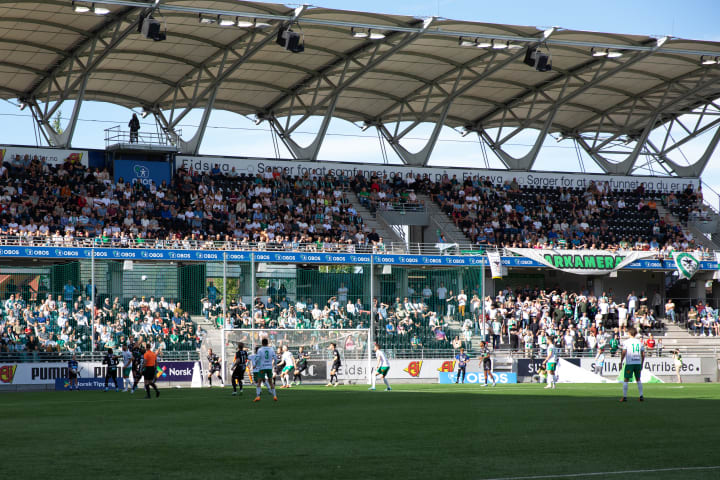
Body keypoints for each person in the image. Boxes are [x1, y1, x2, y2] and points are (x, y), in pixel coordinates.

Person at [620, 327, 645, 402]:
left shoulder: (626, 342)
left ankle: (624, 397)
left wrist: (621, 362)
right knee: (638, 379)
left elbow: (624, 352)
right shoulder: (639, 342)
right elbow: (643, 354)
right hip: (637, 363)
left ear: (629, 333)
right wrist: (642, 363)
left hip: (630, 363)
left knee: (626, 379)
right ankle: (641, 396)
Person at [254, 338, 278, 402]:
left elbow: (257, 358)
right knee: (271, 382)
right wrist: (275, 365)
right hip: (269, 367)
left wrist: (255, 364)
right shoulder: (271, 349)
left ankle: (258, 396)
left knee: (259, 382)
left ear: (262, 343)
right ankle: (275, 396)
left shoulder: (260, 349)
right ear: (267, 343)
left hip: (262, 367)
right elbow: (275, 358)